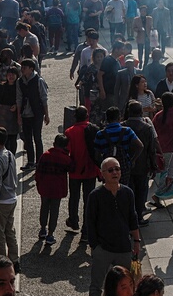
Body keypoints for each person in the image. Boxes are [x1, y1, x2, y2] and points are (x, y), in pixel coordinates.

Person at [86, 157, 140, 296]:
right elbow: (90, 222)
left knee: (125, 286)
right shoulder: (95, 195)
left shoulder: (128, 193)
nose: (115, 172)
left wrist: (136, 241)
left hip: (124, 248)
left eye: (117, 169)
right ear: (103, 174)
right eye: (110, 170)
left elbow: (132, 218)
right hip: (103, 249)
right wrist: (94, 247)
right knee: (96, 286)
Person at [65, 105, 102, 242]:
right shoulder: (94, 130)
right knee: (88, 201)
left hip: (75, 170)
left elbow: (67, 151)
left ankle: (73, 220)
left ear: (74, 117)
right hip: (90, 169)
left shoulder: (70, 132)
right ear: (87, 116)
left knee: (74, 197)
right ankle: (86, 231)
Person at [0, 125, 20, 274]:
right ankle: (15, 260)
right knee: (10, 232)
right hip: (12, 198)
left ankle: (1, 264)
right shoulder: (10, 155)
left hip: (1, 201)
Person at [123, 100, 159, 226]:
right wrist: (154, 166)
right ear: (141, 112)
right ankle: (138, 217)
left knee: (128, 191)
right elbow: (151, 150)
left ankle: (128, 217)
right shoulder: (147, 128)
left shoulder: (123, 126)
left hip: (125, 165)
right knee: (141, 192)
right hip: (142, 166)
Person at [35, 133, 73, 245]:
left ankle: (42, 228)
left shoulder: (45, 155)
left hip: (45, 187)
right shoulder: (65, 158)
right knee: (54, 211)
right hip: (58, 189)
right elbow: (72, 168)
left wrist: (38, 183)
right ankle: (50, 234)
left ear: (54, 143)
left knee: (44, 207)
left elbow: (39, 171)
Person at [93, 106, 144, 186]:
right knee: (123, 190)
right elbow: (140, 146)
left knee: (109, 190)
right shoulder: (127, 131)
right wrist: (132, 160)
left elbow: (96, 155)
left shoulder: (100, 134)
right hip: (123, 167)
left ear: (107, 119)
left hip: (108, 167)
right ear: (119, 118)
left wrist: (102, 166)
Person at [16, 58, 50, 170]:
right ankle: (30, 161)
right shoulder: (20, 81)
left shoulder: (38, 80)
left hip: (37, 113)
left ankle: (39, 161)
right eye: (22, 67)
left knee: (37, 137)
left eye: (24, 68)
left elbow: (44, 98)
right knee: (27, 138)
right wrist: (19, 115)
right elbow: (19, 98)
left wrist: (46, 114)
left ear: (31, 69)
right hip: (25, 114)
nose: (22, 70)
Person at [0, 66, 21, 154]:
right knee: (4, 137)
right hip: (3, 114)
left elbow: (22, 99)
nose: (11, 76)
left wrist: (16, 106)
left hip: (14, 115)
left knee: (13, 137)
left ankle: (12, 155)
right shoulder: (2, 86)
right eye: (9, 74)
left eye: (13, 74)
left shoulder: (19, 86)